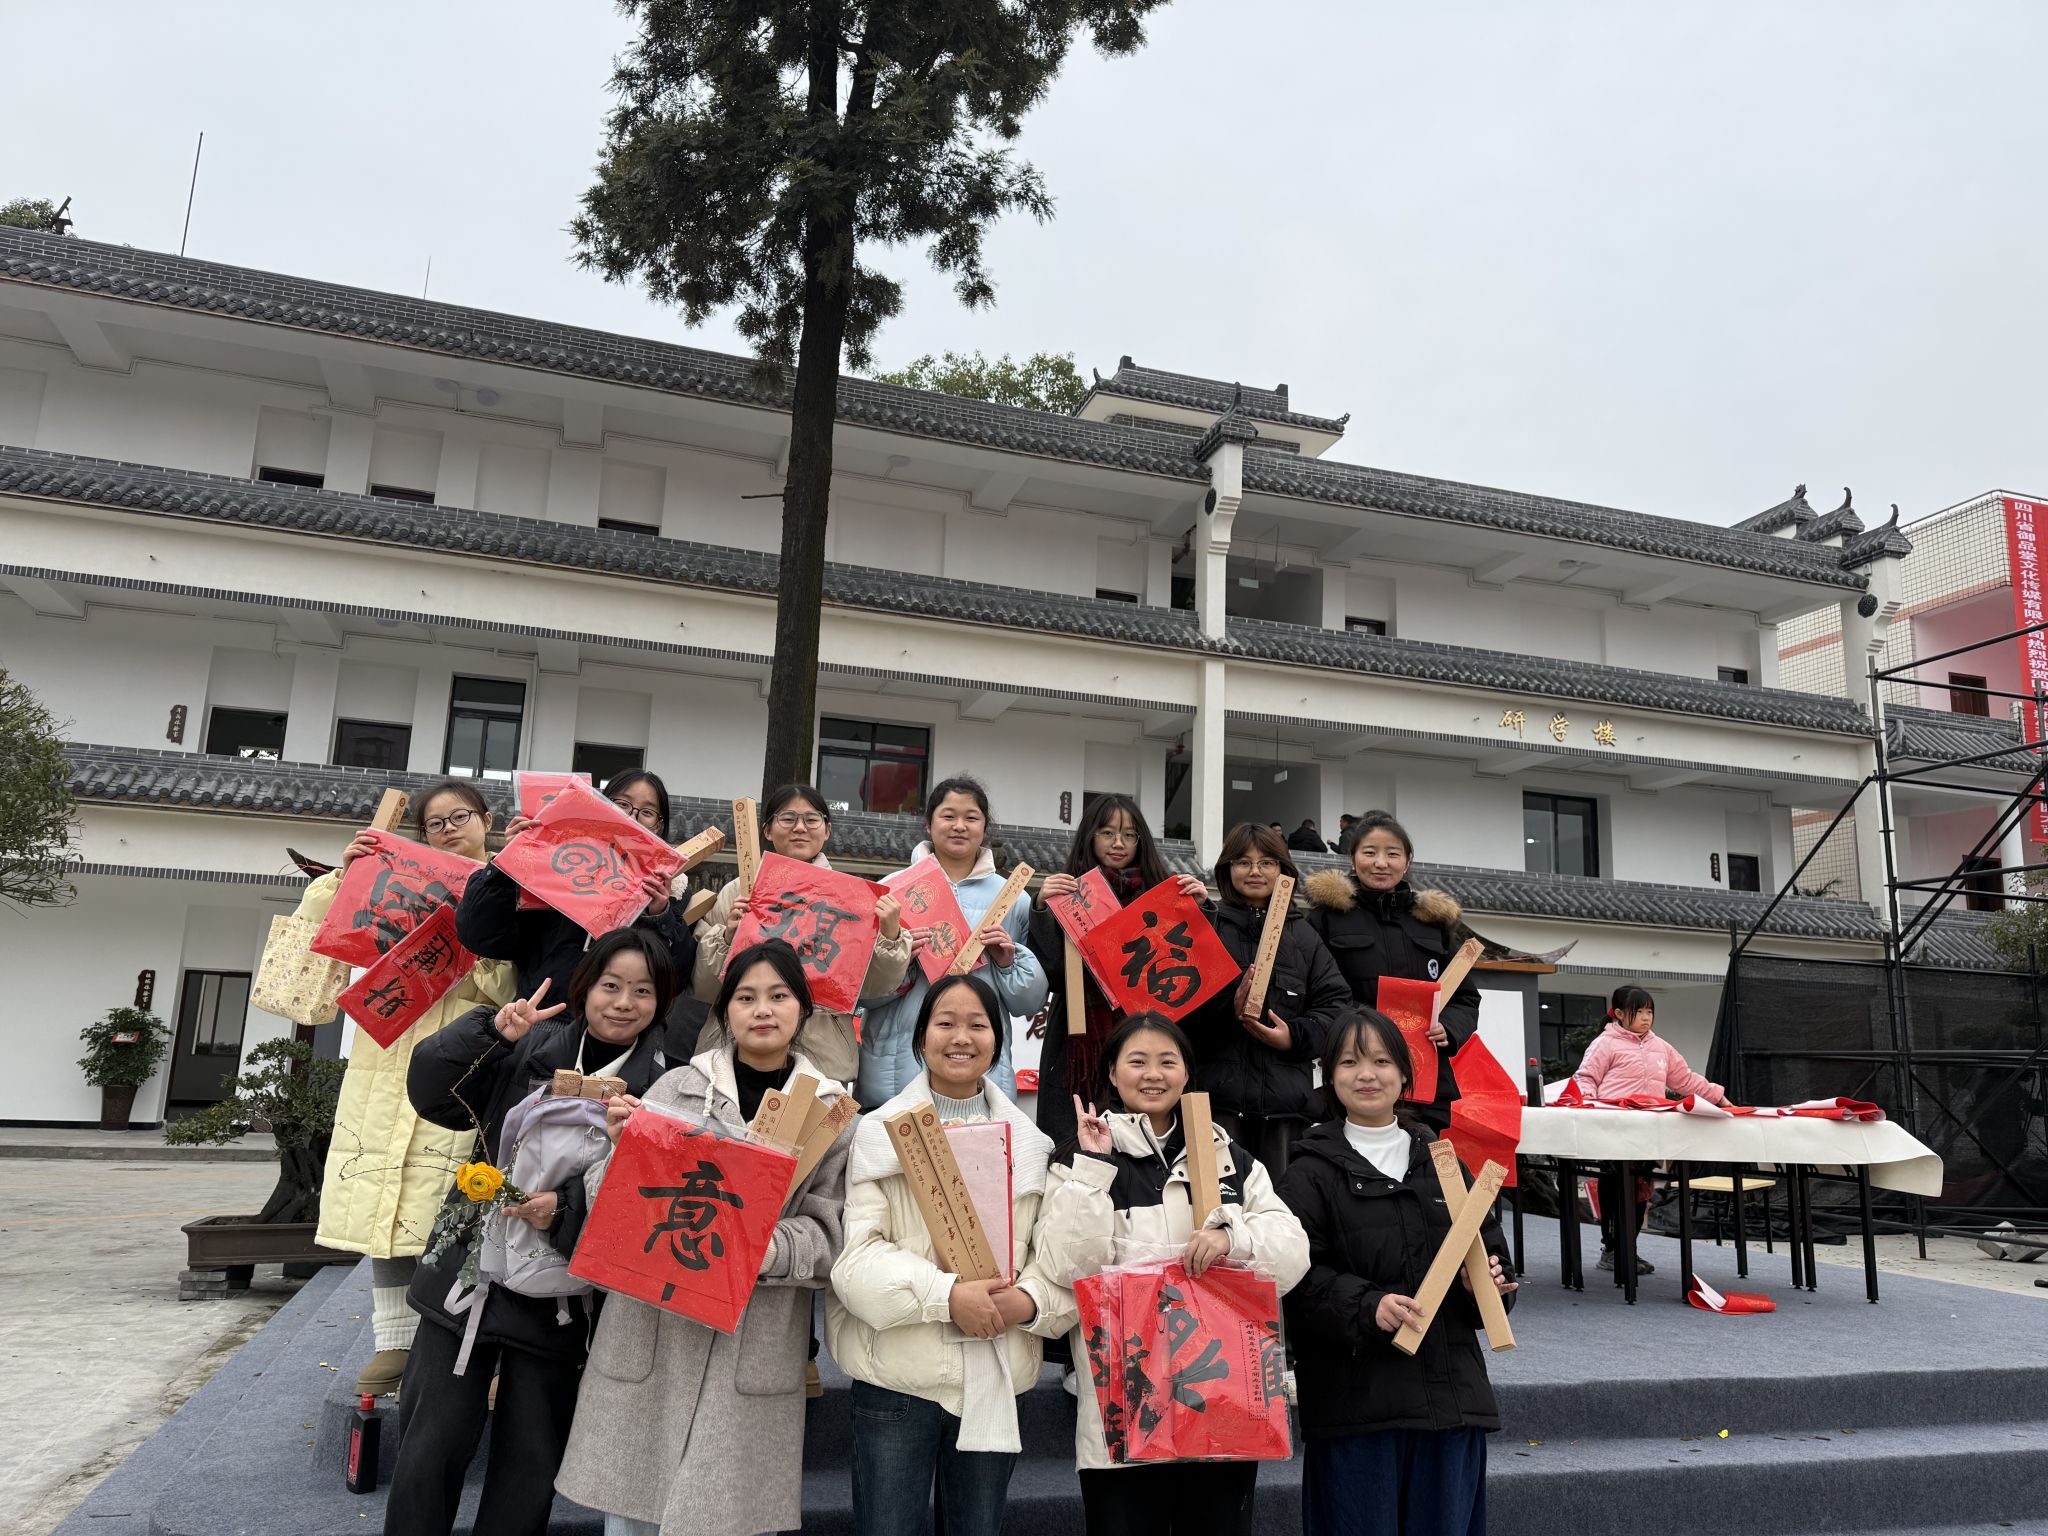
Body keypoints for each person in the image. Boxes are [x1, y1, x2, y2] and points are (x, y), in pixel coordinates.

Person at [556, 940, 857, 1536]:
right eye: (745, 997)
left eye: (778, 996)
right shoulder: (675, 1089)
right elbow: (612, 1213)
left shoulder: (833, 1116)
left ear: (803, 1009)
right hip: (654, 1334)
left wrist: (758, 1244)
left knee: (726, 1516)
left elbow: (832, 1233)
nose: (762, 1010)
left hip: (753, 1338)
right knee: (632, 1519)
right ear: (724, 1011)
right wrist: (619, 1154)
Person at [385, 929, 677, 1536]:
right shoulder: (529, 1044)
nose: (624, 1003)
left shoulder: (666, 1087)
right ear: (585, 987)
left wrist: (566, 1209)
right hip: (468, 1274)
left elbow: (651, 1202)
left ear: (661, 1001)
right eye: (611, 985)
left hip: (562, 1298)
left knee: (530, 1461)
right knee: (429, 1446)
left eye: (643, 991)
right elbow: (433, 1097)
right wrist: (488, 1034)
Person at [1035, 1013, 1310, 1536]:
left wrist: (1233, 1239)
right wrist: (1092, 1169)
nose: (1153, 1074)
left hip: (1223, 1399)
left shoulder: (1232, 1160)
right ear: (1112, 1073)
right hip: (1127, 1403)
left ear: (1187, 1073)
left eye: (1167, 1061)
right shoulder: (1081, 1156)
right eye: (1137, 1061)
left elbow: (1294, 1253)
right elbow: (1067, 1267)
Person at [827, 973, 1074, 1536]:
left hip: (995, 1374)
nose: (961, 1037)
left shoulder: (1032, 1146)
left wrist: (1029, 1302)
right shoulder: (877, 1133)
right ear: (921, 1037)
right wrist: (946, 1296)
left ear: (998, 1041)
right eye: (945, 1023)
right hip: (897, 1381)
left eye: (977, 1025)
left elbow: (1055, 1262)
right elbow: (856, 1263)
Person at [296, 780, 516, 1398]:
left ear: (486, 821)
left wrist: (473, 947)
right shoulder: (395, 878)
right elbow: (321, 943)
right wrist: (345, 878)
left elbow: (510, 986)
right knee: (383, 1199)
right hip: (386, 1048)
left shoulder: (509, 889)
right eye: (435, 823)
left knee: (457, 1199)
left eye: (460, 817)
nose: (448, 829)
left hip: (463, 1056)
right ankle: (394, 1340)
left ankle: (466, 1337)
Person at [1278, 1009, 1517, 1536]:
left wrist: (1486, 1287)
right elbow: (1295, 1281)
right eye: (1349, 1062)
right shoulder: (1307, 1173)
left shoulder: (1446, 1163)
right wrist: (1369, 1306)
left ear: (1405, 1074)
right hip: (1356, 1409)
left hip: (1451, 1405)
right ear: (1329, 1075)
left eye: (1382, 1061)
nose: (1367, 1074)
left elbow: (1490, 1260)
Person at [686, 783, 910, 1085]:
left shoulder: (854, 900)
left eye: (812, 819)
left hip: (822, 1058)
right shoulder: (739, 892)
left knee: (820, 1118)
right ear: (767, 830)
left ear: (827, 830)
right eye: (788, 818)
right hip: (735, 1052)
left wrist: (890, 936)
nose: (800, 828)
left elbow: (876, 987)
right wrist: (728, 939)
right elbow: (704, 988)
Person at [1026, 793, 1206, 1150]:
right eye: (1107, 833)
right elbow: (1053, 975)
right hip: (1078, 1044)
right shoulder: (1070, 893)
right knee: (1075, 1152)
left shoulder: (1163, 895)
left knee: (1147, 1155)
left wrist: (1201, 911)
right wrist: (1044, 910)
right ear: (1090, 836)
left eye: (1128, 835)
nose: (1118, 843)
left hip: (1149, 1037)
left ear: (1141, 841)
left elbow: (1192, 978)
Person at [855, 777, 1047, 1107]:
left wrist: (1007, 962)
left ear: (984, 827)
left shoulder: (1012, 899)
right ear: (928, 823)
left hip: (981, 1073)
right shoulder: (890, 891)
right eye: (948, 816)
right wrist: (900, 960)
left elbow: (1029, 1003)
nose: (959, 826)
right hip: (895, 1071)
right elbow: (863, 993)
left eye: (971, 817)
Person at [1180, 822, 1350, 1181]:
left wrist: (1293, 1037)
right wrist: (1227, 1010)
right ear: (1227, 869)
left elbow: (1336, 1007)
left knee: (1280, 1206)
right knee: (1215, 1204)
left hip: (1287, 1111)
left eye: (1267, 863)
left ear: (1283, 869)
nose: (1255, 871)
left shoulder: (1304, 936)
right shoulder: (1208, 927)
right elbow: (1180, 1009)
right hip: (1216, 1104)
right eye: (1243, 862)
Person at [457, 767, 698, 1004]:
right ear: (601, 805)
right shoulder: (556, 865)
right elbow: (482, 938)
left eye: (647, 812)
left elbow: (675, 980)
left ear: (658, 825)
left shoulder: (671, 892)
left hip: (620, 1020)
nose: (632, 816)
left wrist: (659, 917)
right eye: (622, 804)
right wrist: (509, 864)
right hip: (543, 1014)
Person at [1305, 810, 1478, 1134]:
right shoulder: (1326, 919)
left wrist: (1450, 1029)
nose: (1381, 863)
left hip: (1423, 1081)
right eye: (1370, 853)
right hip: (1354, 1075)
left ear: (1407, 862)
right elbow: (1311, 992)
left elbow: (1465, 998)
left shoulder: (1433, 924)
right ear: (1353, 859)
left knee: (1421, 1159)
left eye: (1393, 854)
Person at [1572, 984, 1727, 1274]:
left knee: (1641, 1190)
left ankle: (1627, 1248)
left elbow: (1685, 1080)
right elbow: (1586, 1078)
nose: (1646, 1018)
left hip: (1648, 1132)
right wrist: (1590, 1106)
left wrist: (1717, 1096)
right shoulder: (1605, 1044)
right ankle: (1613, 1249)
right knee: (1616, 1187)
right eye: (1639, 1012)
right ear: (1619, 1014)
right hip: (1615, 1129)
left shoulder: (1661, 1047)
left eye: (1649, 1012)